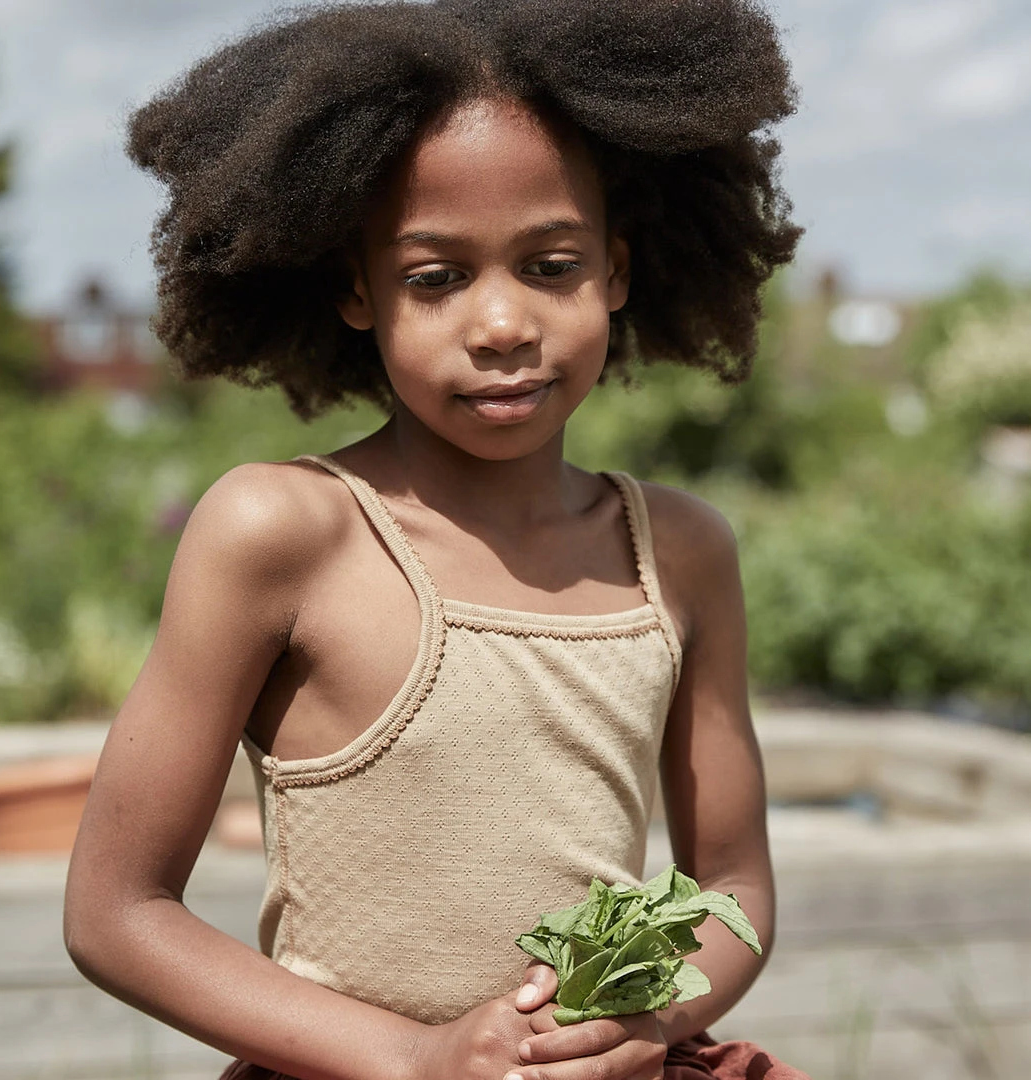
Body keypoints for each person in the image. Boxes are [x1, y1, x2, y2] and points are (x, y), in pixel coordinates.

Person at [63, 1, 807, 1078]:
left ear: (620, 269)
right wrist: (416, 1059)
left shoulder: (679, 552)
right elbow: (115, 911)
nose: (502, 324)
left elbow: (734, 882)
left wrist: (635, 1027)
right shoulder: (283, 532)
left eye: (551, 265)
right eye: (435, 276)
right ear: (357, 291)